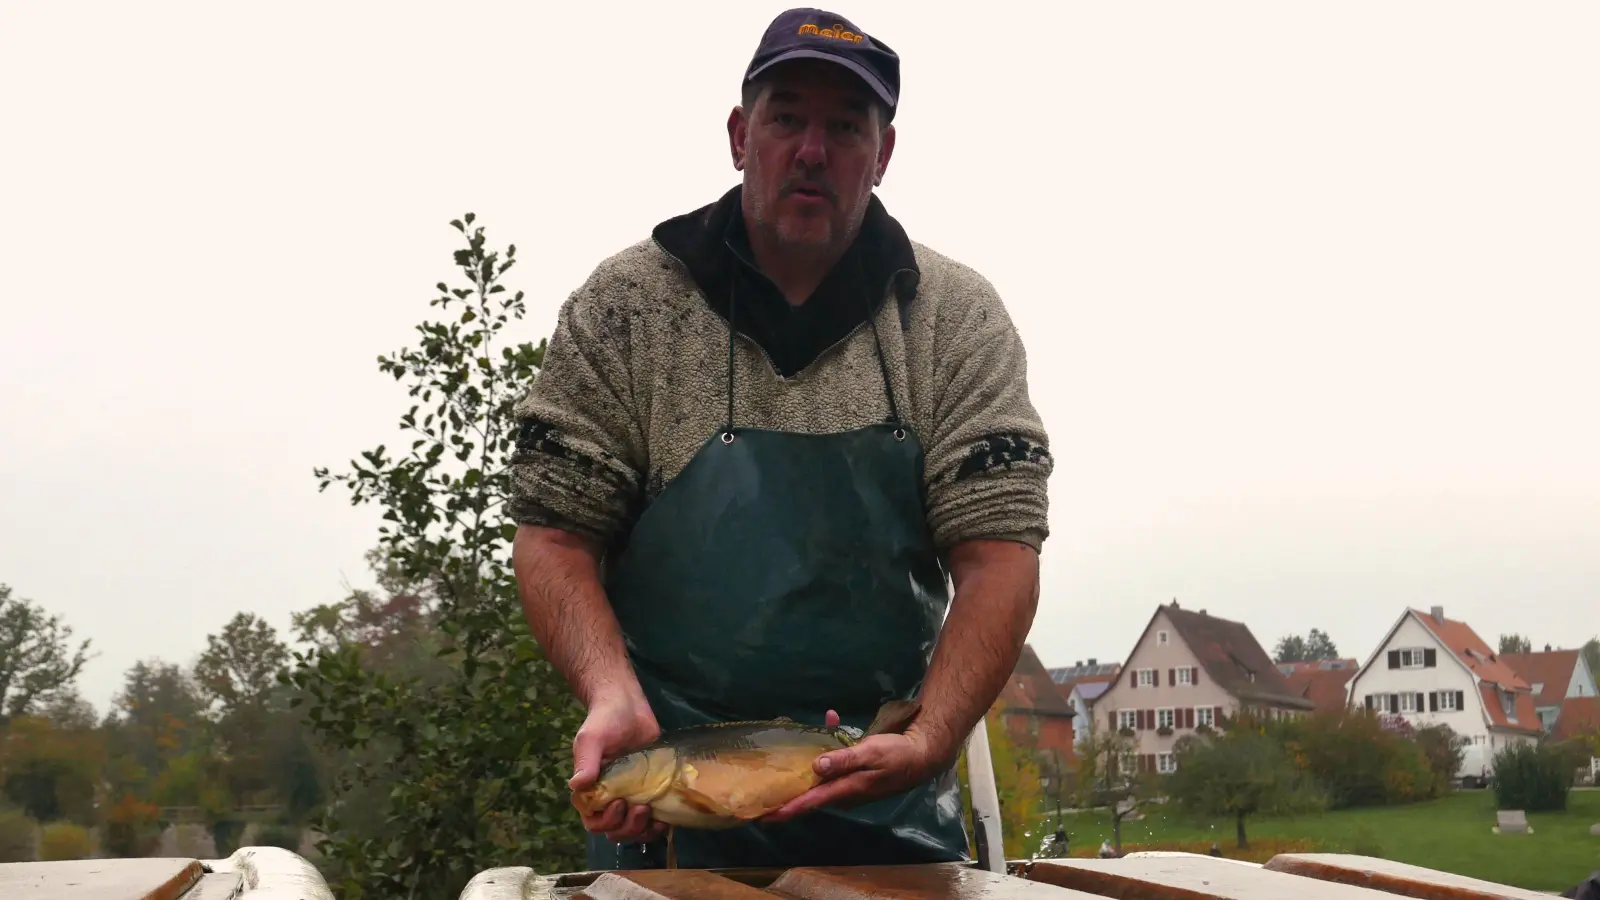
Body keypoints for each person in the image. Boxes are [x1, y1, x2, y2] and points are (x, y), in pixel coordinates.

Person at [508, 6, 1053, 871]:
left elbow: (1000, 556)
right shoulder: (626, 308)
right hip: (669, 814)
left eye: (845, 126)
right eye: (787, 115)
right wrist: (610, 692)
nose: (812, 148)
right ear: (739, 134)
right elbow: (553, 535)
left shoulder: (957, 320)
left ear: (883, 155)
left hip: (895, 824)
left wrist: (936, 734)